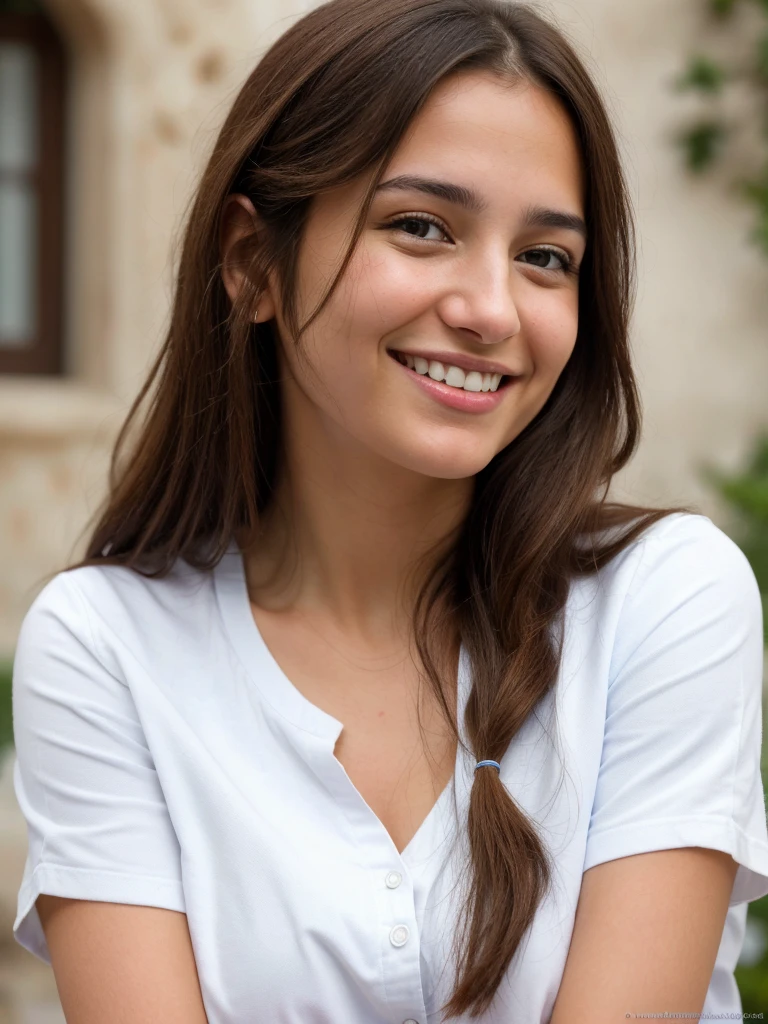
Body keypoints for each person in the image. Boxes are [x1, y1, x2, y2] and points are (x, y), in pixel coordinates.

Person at [10, 0, 768, 1020]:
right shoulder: (108, 649)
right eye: (421, 227)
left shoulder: (663, 602)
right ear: (252, 262)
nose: (491, 309)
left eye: (546, 256)